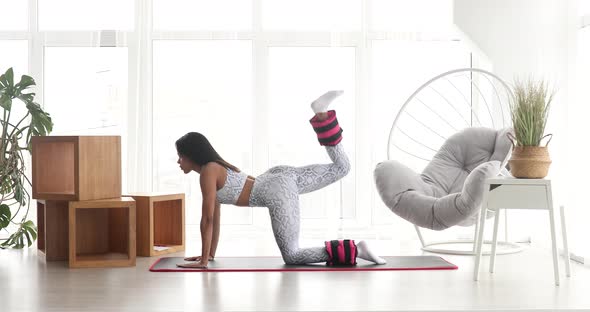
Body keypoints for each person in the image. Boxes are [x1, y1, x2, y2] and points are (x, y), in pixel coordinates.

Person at [175, 91, 386, 268]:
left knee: (292, 256)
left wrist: (202, 261)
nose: (178, 162)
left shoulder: (208, 172)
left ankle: (356, 250)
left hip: (275, 190)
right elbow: (216, 218)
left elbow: (207, 219)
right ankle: (322, 115)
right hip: (278, 177)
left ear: (191, 155)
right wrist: (208, 256)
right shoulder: (215, 168)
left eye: (180, 156)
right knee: (342, 167)